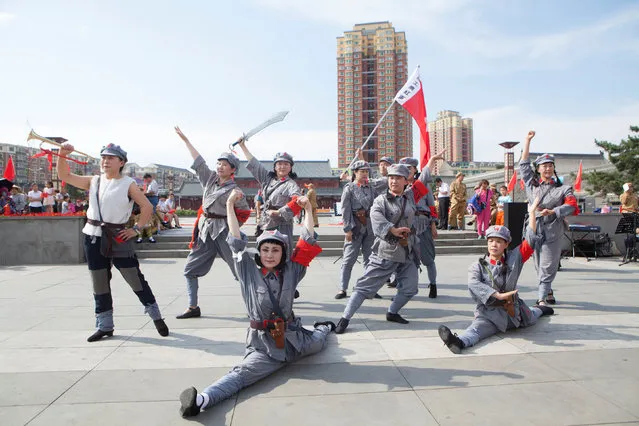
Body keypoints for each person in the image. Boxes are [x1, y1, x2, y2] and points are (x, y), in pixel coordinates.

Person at [178, 189, 334, 418]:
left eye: (276, 250)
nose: (270, 255)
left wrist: (308, 209)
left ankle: (325, 327)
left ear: (283, 253)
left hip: (295, 338)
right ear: (259, 253)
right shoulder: (247, 270)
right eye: (265, 250)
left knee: (319, 341)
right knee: (242, 374)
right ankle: (201, 400)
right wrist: (230, 205)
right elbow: (235, 240)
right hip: (265, 347)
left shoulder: (293, 270)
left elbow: (307, 239)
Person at [57, 142, 169, 342]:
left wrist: (135, 230)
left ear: (121, 162)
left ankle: (156, 316)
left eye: (110, 158)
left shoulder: (128, 184)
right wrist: (62, 155)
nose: (105, 161)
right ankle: (105, 326)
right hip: (93, 235)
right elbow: (65, 176)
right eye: (103, 157)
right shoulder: (94, 181)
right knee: (99, 282)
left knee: (134, 278)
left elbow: (146, 207)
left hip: (118, 236)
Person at [437, 198, 555, 354]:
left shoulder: (515, 258)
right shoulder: (477, 266)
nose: (494, 244)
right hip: (489, 314)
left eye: (499, 241)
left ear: (506, 244)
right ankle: (458, 342)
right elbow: (473, 284)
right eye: (491, 241)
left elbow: (531, 240)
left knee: (533, 316)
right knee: (476, 330)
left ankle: (541, 308)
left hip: (515, 312)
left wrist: (532, 212)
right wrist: (498, 296)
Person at [334, 161, 435, 334]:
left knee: (411, 288)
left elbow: (424, 179)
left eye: (398, 178)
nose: (394, 181)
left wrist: (431, 159)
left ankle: (392, 312)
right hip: (386, 251)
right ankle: (345, 318)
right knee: (364, 287)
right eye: (391, 178)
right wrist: (392, 229)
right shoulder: (381, 200)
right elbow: (375, 216)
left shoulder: (411, 196)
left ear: (406, 180)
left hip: (408, 251)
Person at [173, 126, 252, 319]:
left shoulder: (236, 190)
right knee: (190, 270)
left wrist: (232, 227)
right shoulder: (209, 180)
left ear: (233, 169)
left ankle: (254, 307)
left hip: (224, 231)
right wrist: (186, 141)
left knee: (240, 271)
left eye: (225, 164)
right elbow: (199, 162)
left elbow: (244, 212)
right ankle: (193, 307)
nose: (220, 167)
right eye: (218, 163)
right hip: (205, 231)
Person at [520, 130, 578, 306]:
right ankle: (548, 290)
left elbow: (572, 205)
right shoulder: (532, 185)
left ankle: (541, 298)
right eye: (544, 166)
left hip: (553, 229)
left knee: (548, 262)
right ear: (538, 169)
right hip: (533, 227)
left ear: (553, 169)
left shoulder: (563, 188)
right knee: (538, 263)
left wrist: (554, 211)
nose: (547, 168)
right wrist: (527, 140)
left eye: (550, 165)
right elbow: (523, 165)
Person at [236, 137, 301, 254]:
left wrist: (279, 212)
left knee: (282, 254)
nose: (282, 166)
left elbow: (297, 202)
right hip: (265, 223)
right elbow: (254, 164)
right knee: (264, 254)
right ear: (275, 167)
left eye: (286, 164)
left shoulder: (292, 185)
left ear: (290, 167)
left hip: (282, 225)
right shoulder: (267, 179)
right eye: (279, 164)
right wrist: (243, 146)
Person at [335, 160, 380, 300]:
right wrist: (347, 229)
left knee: (370, 259)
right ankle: (343, 288)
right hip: (355, 227)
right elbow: (345, 210)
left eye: (366, 171)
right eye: (362, 171)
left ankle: (368, 288)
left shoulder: (372, 189)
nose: (365, 174)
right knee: (348, 260)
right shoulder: (349, 188)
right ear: (355, 173)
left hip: (370, 227)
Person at [399, 157, 440, 298]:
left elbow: (431, 206)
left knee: (428, 259)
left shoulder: (421, 185)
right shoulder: (399, 187)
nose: (406, 171)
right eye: (403, 169)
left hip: (423, 224)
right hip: (406, 227)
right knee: (405, 259)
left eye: (409, 168)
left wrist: (433, 225)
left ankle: (433, 284)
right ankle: (404, 288)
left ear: (415, 170)